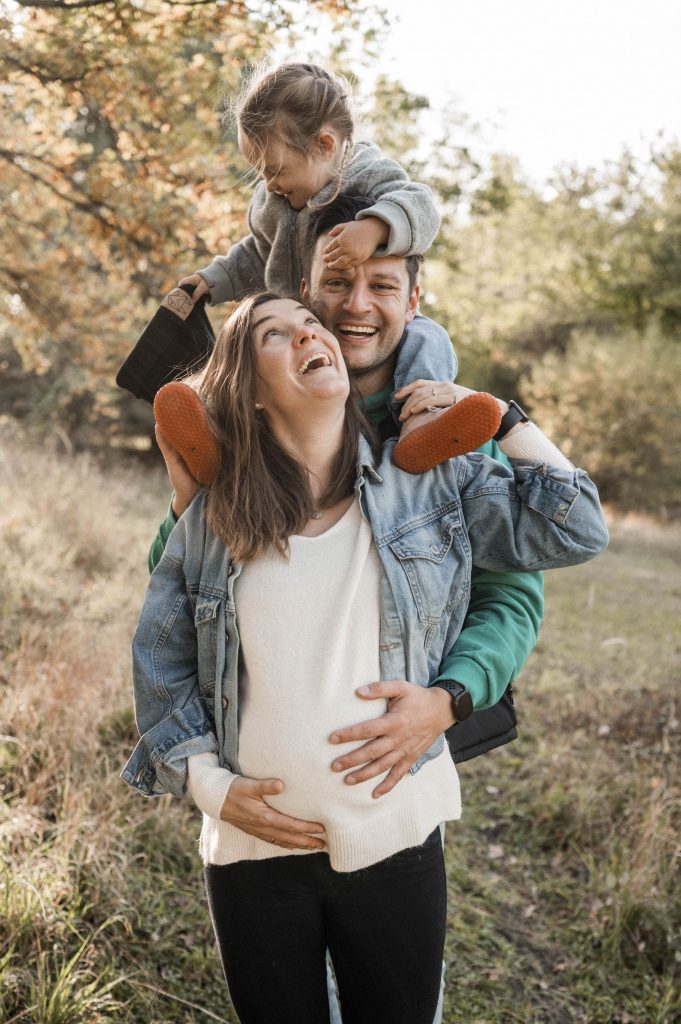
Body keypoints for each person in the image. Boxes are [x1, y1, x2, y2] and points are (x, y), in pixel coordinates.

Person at [122, 292, 608, 1024]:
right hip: (253, 851)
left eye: (309, 323)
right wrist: (206, 786)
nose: (308, 332)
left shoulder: (430, 486)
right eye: (274, 335)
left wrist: (502, 417)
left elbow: (576, 531)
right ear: (249, 393)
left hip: (395, 836)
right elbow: (162, 656)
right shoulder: (218, 517)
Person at [156, 60, 501, 481]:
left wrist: (374, 228)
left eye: (277, 170)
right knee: (247, 342)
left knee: (429, 339)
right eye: (261, 174)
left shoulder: (364, 173)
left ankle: (422, 420)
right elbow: (256, 254)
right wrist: (213, 280)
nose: (268, 184)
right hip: (306, 315)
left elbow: (421, 206)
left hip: (355, 311)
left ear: (324, 145)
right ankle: (212, 428)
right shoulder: (274, 203)